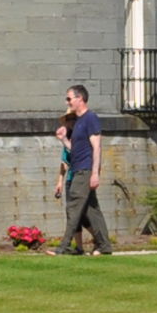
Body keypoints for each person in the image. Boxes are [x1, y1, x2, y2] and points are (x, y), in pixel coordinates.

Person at [57, 83, 114, 255]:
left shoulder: (91, 118)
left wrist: (95, 173)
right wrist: (63, 140)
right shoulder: (79, 122)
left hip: (85, 170)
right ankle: (105, 246)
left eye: (69, 99)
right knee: (91, 210)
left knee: (73, 207)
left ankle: (64, 246)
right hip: (78, 169)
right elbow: (75, 150)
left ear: (80, 98)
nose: (67, 102)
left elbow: (97, 147)